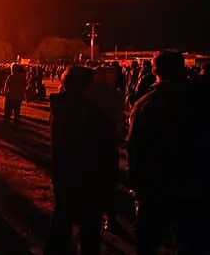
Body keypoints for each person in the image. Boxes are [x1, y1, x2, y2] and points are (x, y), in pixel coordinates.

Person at [128, 51, 208, 255]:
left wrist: (136, 186)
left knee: (148, 244)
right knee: (191, 244)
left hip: (155, 187)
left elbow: (135, 148)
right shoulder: (200, 102)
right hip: (193, 185)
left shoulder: (145, 105)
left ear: (154, 71)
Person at [45, 66, 118, 255]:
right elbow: (104, 149)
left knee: (62, 225)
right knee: (88, 230)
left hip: (64, 175)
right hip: (87, 178)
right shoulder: (90, 113)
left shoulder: (60, 108)